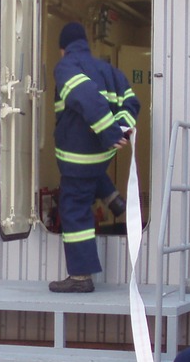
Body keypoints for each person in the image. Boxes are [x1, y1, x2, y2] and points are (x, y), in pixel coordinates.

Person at [48, 21, 140, 294]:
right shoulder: (109, 70)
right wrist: (121, 129)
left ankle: (79, 277)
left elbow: (87, 97)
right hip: (101, 155)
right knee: (93, 174)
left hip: (78, 155)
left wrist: (109, 131)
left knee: (74, 208)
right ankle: (113, 199)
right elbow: (131, 102)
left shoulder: (66, 67)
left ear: (63, 50)